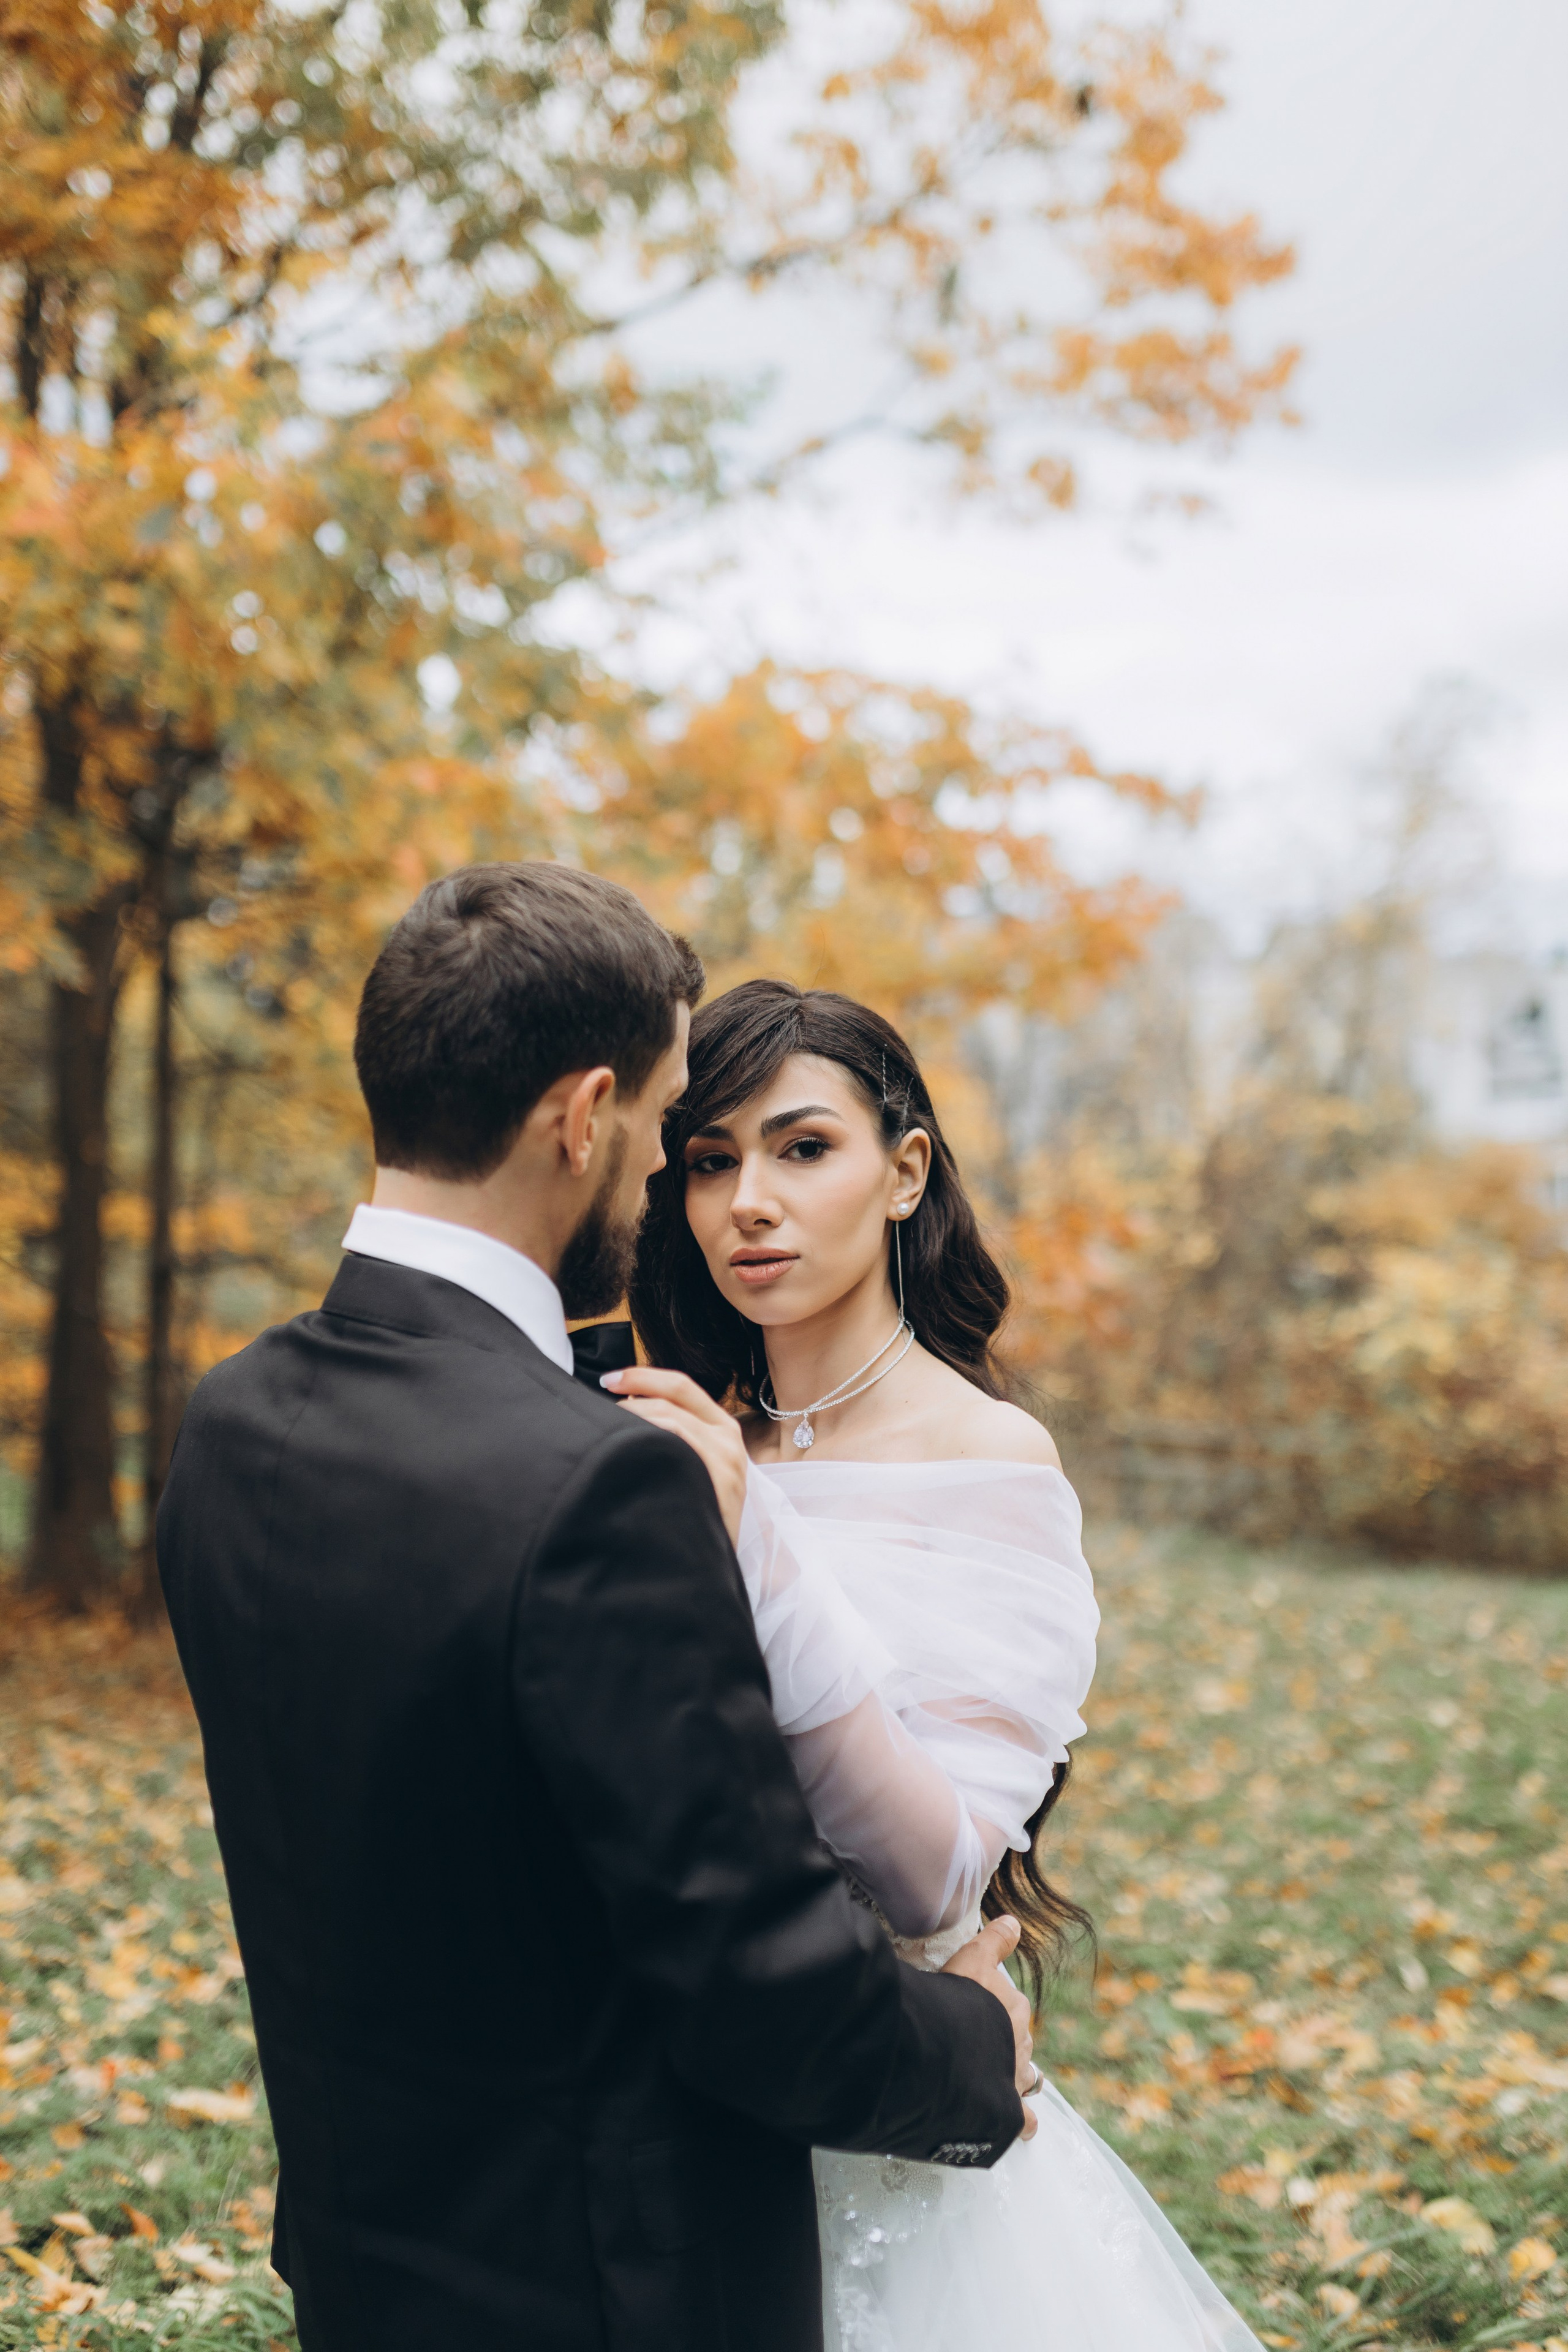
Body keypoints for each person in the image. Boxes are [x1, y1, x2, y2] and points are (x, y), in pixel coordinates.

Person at [156, 865, 1038, 2352]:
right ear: (581, 1120)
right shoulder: (594, 1486)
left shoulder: (234, 1421)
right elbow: (756, 1983)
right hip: (604, 2292)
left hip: (367, 2261)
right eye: (669, 1129)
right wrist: (972, 2052)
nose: (670, 1186)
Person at [616, 978, 1266, 2352]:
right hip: (683, 2103)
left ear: (904, 1172)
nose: (748, 1203)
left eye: (802, 1149)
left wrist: (759, 1547)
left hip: (895, 2101)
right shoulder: (685, 1435)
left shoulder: (988, 1459)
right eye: (710, 1162)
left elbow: (934, 1874)